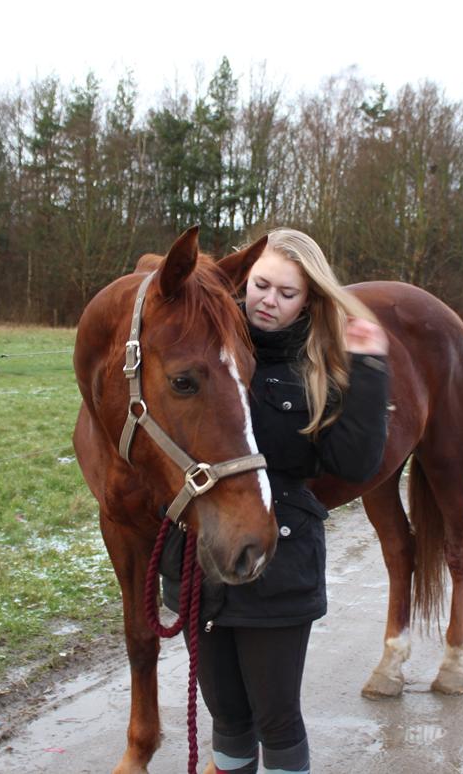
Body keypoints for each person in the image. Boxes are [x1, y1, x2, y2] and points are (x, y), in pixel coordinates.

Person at [162, 228, 390, 774]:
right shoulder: (207, 351)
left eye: (287, 293)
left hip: (279, 563)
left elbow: (356, 464)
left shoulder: (319, 369)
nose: (268, 300)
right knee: (227, 718)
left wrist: (370, 370)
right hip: (199, 560)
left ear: (308, 299)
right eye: (261, 284)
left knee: (277, 720)